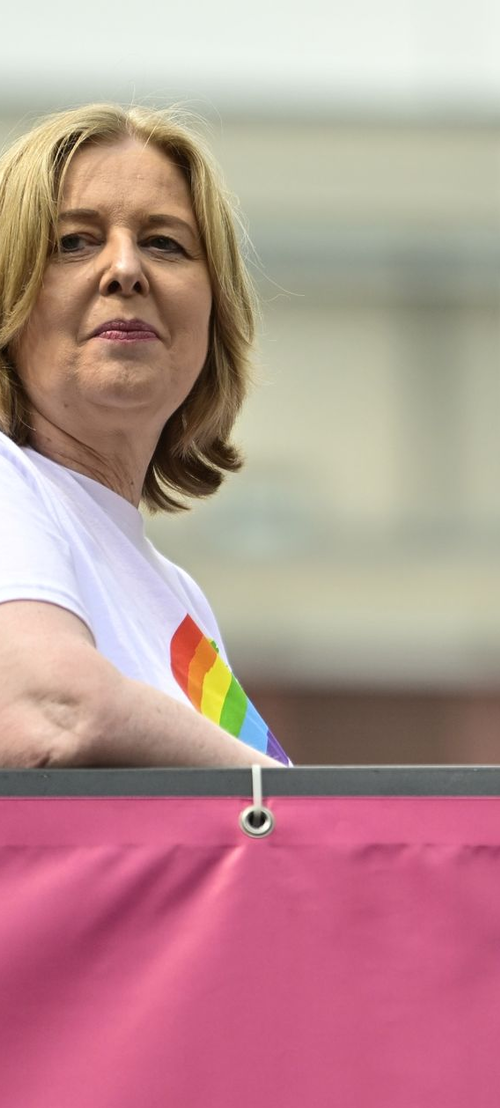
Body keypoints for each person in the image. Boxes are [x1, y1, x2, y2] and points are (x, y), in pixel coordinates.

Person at [0, 103, 287, 767]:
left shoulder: (180, 600)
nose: (125, 269)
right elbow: (48, 710)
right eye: (73, 242)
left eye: (165, 243)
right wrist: (313, 815)